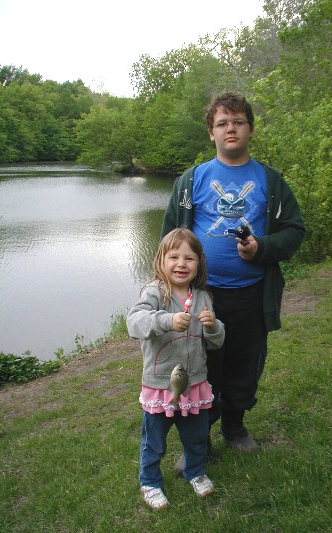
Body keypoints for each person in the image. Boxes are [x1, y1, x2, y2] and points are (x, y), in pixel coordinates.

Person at [160, 92, 305, 454]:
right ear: (211, 132)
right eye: (223, 123)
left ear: (250, 130)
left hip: (251, 293)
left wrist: (261, 248)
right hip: (201, 295)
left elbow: (293, 230)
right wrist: (167, 287)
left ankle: (235, 427)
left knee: (244, 361)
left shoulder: (270, 181)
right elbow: (168, 239)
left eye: (238, 122)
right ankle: (199, 437)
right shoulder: (190, 181)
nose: (231, 129)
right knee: (200, 366)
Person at [127, 228, 225, 510]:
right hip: (160, 385)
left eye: (189, 258)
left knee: (196, 436)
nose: (181, 264)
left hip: (194, 383)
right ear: (161, 260)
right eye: (174, 257)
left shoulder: (204, 297)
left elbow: (216, 342)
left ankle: (195, 471)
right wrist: (167, 321)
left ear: (199, 264)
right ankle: (150, 481)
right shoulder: (155, 292)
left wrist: (213, 327)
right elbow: (134, 323)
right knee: (154, 441)